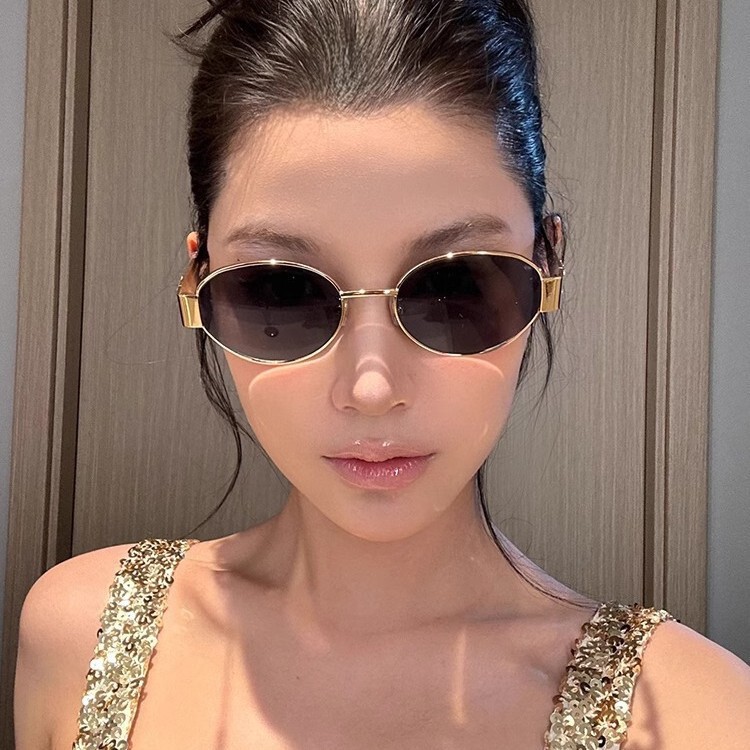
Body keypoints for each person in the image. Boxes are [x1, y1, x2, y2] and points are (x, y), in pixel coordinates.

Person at [14, 1, 750, 748]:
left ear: (547, 265)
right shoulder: (77, 634)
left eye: (453, 289)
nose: (371, 390)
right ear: (197, 283)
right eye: (282, 293)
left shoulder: (700, 716)